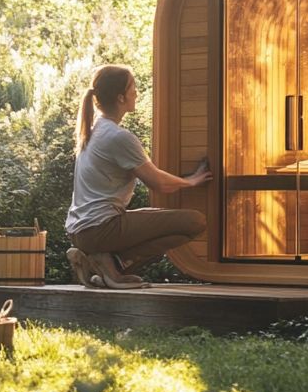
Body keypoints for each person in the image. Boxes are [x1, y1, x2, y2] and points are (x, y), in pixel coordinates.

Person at [65, 64, 211, 289]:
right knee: (194, 221)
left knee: (152, 215)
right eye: (133, 88)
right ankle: (114, 266)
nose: (137, 94)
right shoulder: (117, 136)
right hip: (100, 229)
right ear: (121, 97)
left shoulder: (95, 131)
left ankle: (101, 265)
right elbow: (158, 182)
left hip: (81, 230)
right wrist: (192, 181)